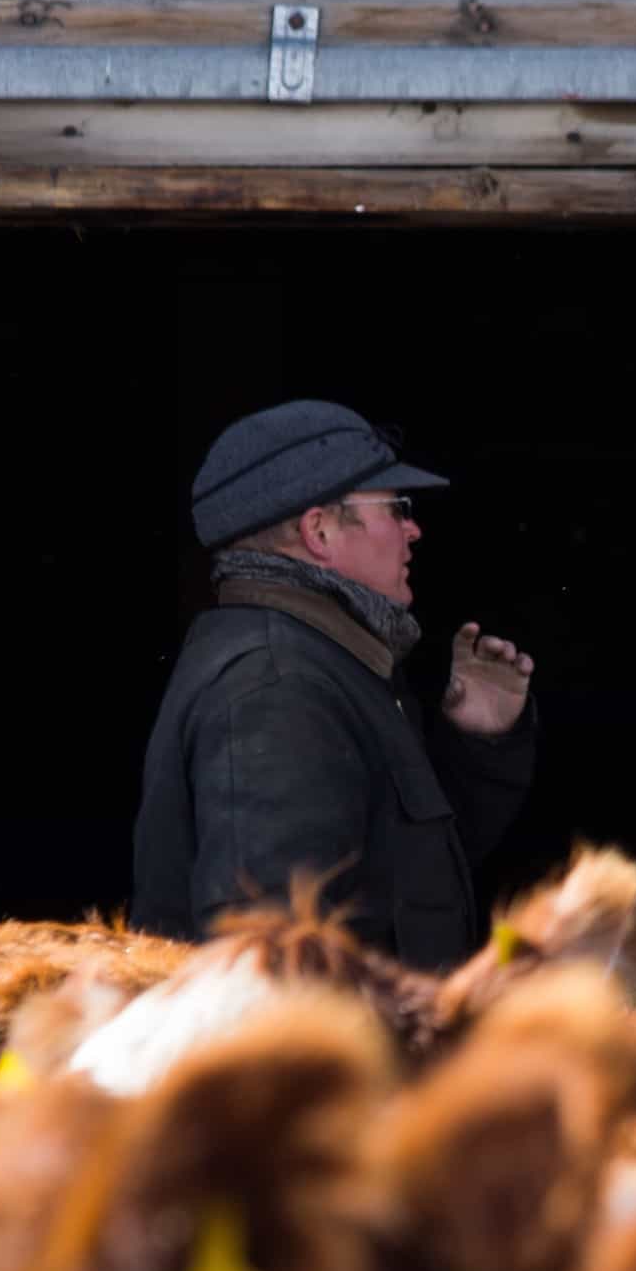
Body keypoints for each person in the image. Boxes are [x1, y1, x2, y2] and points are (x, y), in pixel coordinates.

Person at [132, 399, 537, 968]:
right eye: (396, 508)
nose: (414, 529)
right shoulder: (277, 690)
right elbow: (272, 961)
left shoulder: (331, 663)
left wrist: (474, 743)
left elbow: (406, 882)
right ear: (318, 531)